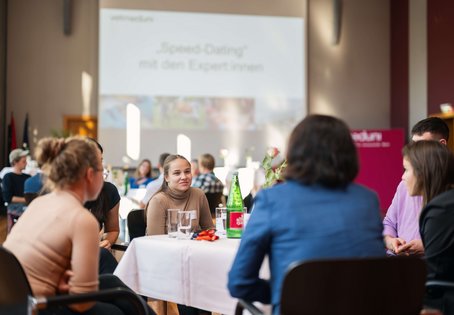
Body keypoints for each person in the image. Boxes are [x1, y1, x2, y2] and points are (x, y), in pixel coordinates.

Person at [228, 115, 385, 315]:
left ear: (294, 153)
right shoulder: (367, 200)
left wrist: (286, 293)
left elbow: (239, 283)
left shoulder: (272, 199)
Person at [3, 136, 154, 315]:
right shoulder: (82, 220)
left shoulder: (39, 203)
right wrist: (70, 286)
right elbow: (81, 303)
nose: (104, 177)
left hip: (14, 302)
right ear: (90, 175)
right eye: (102, 172)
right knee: (119, 310)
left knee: (113, 283)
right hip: (42, 306)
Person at [399, 141, 454, 313]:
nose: (402, 177)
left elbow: (437, 278)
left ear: (423, 172)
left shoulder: (440, 210)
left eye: (406, 169)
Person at [383, 117, 449, 256]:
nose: (415, 152)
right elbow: (388, 223)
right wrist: (390, 241)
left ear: (441, 145)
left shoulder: (447, 197)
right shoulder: (404, 186)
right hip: (397, 261)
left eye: (422, 146)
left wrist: (429, 245)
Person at [146, 154, 214, 236]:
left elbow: (210, 230)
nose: (184, 177)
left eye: (187, 171)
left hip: (194, 247)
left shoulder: (198, 194)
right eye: (177, 173)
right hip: (166, 248)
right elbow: (155, 242)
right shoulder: (158, 201)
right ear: (166, 177)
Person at [84, 139, 121, 274]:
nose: (99, 166)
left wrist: (107, 242)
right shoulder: (62, 194)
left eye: (100, 160)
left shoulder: (108, 191)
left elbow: (113, 230)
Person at [2, 148, 30, 230]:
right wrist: (27, 199)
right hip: (15, 208)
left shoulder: (28, 177)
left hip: (27, 206)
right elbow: (8, 198)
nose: (26, 163)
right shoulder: (8, 177)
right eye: (23, 161)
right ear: (15, 162)